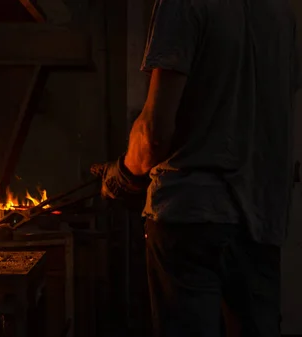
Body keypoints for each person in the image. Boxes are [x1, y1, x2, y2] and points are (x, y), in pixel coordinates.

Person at [91, 0, 300, 336]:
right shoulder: (282, 13)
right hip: (260, 218)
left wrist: (122, 175)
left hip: (190, 218)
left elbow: (155, 135)